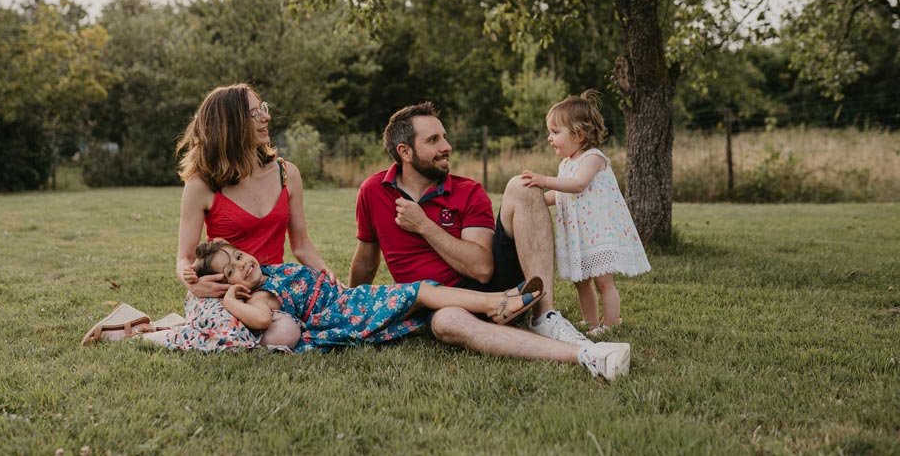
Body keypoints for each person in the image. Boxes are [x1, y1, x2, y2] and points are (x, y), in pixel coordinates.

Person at [347, 102, 631, 379]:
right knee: (446, 323)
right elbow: (366, 259)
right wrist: (350, 307)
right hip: (443, 305)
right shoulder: (373, 191)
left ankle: (544, 316)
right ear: (405, 151)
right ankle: (581, 353)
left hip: (500, 285)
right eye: (433, 140)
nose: (446, 146)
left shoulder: (467, 191)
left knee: (522, 186)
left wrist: (424, 226)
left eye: (444, 137)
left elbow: (482, 268)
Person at [83, 83, 333, 351]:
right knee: (236, 338)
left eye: (263, 109)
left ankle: (176, 327)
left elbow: (301, 244)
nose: (266, 117)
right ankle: (134, 333)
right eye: (253, 114)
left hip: (266, 290)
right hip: (220, 291)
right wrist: (194, 284)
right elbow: (184, 258)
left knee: (284, 333)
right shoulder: (201, 184)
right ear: (230, 125)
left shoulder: (287, 174)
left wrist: (329, 278)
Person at [184, 240, 544, 351]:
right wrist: (232, 299)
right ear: (228, 283)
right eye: (230, 270)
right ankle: (499, 301)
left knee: (422, 296)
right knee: (419, 291)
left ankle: (497, 305)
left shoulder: (271, 270)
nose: (242, 264)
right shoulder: (260, 296)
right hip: (344, 314)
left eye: (238, 255)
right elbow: (262, 321)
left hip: (350, 299)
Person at [521, 90, 651, 336]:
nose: (550, 138)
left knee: (604, 282)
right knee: (581, 282)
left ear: (579, 133)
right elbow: (561, 195)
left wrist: (544, 180)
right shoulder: (566, 164)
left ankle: (611, 324)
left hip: (598, 233)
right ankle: (590, 322)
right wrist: (534, 199)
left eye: (555, 132)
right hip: (579, 236)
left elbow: (578, 185)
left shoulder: (593, 158)